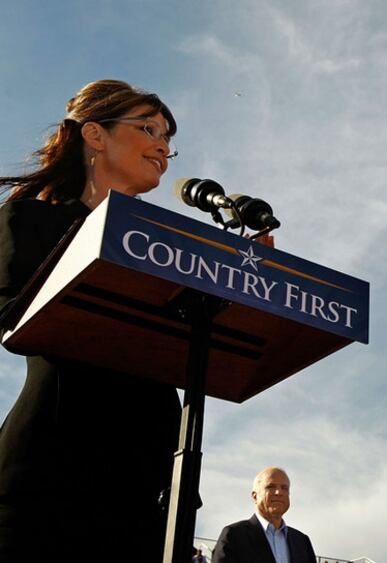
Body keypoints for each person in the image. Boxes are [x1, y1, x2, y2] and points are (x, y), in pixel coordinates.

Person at [0, 79, 182, 563]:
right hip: (51, 478)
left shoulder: (167, 254)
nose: (163, 145)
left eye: (168, 138)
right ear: (95, 135)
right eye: (149, 127)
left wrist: (237, 280)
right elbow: (12, 321)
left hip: (148, 488)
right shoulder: (30, 221)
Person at [212, 466, 317, 563]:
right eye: (271, 487)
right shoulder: (234, 535)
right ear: (254, 496)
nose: (278, 492)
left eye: (284, 488)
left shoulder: (302, 542)